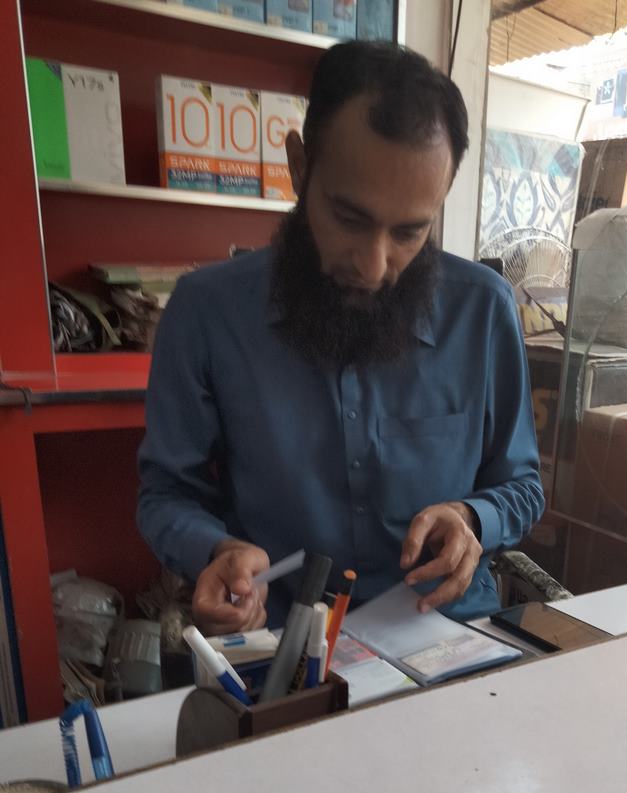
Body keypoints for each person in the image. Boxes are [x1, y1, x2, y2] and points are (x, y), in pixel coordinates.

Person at [138, 40, 543, 636]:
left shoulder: (482, 310)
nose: (374, 267)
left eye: (409, 232)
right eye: (350, 219)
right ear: (300, 168)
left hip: (448, 637)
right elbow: (166, 493)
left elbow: (523, 485)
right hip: (285, 642)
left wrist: (472, 517)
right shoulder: (207, 313)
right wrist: (216, 551)